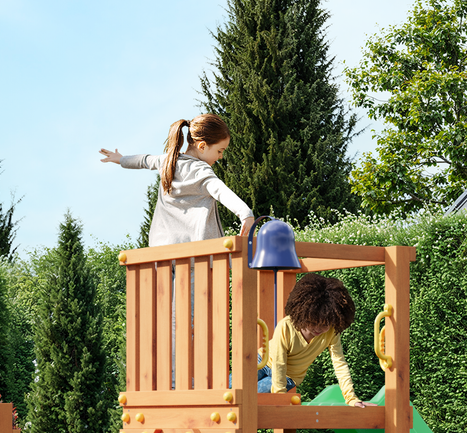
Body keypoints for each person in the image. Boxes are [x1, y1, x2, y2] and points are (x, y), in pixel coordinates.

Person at [100, 113, 253, 245]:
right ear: (202, 146)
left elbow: (143, 160)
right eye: (220, 151)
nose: (220, 157)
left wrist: (121, 159)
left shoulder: (167, 161)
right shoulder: (200, 170)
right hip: (197, 255)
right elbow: (220, 191)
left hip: (162, 252)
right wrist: (245, 213)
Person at [261, 272, 367, 407]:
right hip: (262, 361)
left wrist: (351, 398)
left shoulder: (331, 333)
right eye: (313, 322)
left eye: (325, 325)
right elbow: (279, 362)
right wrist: (280, 396)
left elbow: (339, 363)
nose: (318, 328)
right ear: (305, 314)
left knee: (252, 395)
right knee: (237, 388)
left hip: (288, 376)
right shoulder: (286, 326)